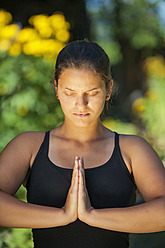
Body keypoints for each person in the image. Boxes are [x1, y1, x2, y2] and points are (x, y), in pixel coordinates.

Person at [0, 40, 165, 248]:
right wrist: (62, 216)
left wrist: (92, 216)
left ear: (108, 89)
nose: (81, 104)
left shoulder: (132, 149)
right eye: (70, 93)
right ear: (57, 88)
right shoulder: (29, 146)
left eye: (92, 93)